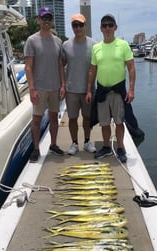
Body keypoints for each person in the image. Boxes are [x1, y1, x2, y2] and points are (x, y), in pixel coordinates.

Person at [86, 14, 136, 163]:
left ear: (115, 27)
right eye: (104, 25)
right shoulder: (96, 47)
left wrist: (131, 89)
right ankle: (107, 147)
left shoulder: (123, 45)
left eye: (110, 25)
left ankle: (120, 148)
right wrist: (89, 90)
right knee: (104, 122)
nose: (107, 28)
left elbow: (131, 68)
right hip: (102, 91)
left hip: (118, 91)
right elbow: (92, 70)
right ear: (101, 28)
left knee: (120, 121)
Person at [24, 7, 65, 163]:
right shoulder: (31, 40)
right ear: (38, 20)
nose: (46, 20)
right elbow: (28, 67)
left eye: (49, 17)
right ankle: (36, 148)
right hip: (39, 89)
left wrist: (62, 85)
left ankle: (53, 145)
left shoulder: (58, 41)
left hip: (55, 87)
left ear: (52, 20)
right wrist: (32, 89)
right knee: (36, 120)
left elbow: (60, 65)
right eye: (43, 18)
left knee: (54, 118)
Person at [62, 13, 96, 155]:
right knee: (72, 118)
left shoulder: (94, 45)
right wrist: (62, 85)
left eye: (80, 24)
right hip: (71, 90)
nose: (78, 28)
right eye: (75, 25)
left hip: (88, 90)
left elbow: (96, 67)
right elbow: (61, 66)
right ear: (72, 27)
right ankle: (74, 142)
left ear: (85, 25)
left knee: (87, 118)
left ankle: (87, 141)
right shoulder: (66, 45)